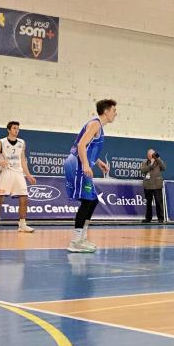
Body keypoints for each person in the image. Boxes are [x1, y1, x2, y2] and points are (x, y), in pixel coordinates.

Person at [63, 99, 117, 253]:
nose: (115, 114)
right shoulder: (95, 124)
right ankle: (75, 241)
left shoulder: (97, 126)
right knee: (88, 201)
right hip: (78, 164)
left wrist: (98, 162)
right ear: (106, 111)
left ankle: (82, 238)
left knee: (92, 201)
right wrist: (86, 165)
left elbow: (87, 146)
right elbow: (80, 145)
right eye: (114, 111)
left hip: (79, 163)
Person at [0, 121, 37, 233]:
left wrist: (28, 175)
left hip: (18, 173)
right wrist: (0, 161)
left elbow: (23, 160)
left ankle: (22, 225)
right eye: (14, 128)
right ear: (8, 130)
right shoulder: (1, 142)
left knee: (24, 198)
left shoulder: (22, 142)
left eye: (18, 128)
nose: (16, 130)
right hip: (6, 172)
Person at [141, 149, 166, 223]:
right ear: (148, 155)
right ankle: (148, 218)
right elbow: (143, 170)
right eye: (150, 155)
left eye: (152, 155)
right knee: (148, 203)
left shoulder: (158, 161)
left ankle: (160, 218)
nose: (151, 156)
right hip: (148, 185)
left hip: (157, 185)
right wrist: (151, 164)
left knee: (159, 202)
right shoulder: (145, 162)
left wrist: (158, 159)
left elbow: (164, 168)